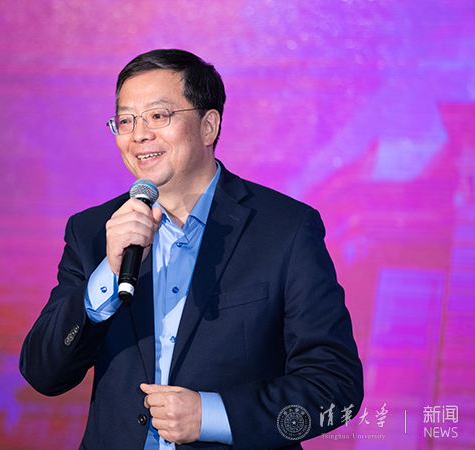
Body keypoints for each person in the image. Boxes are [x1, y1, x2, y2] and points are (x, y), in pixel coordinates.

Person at [20, 49, 363, 450]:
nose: (138, 135)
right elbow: (43, 374)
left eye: (158, 116)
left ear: (208, 126)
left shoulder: (285, 229)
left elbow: (336, 387)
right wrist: (107, 276)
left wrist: (213, 415)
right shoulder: (93, 231)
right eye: (126, 120)